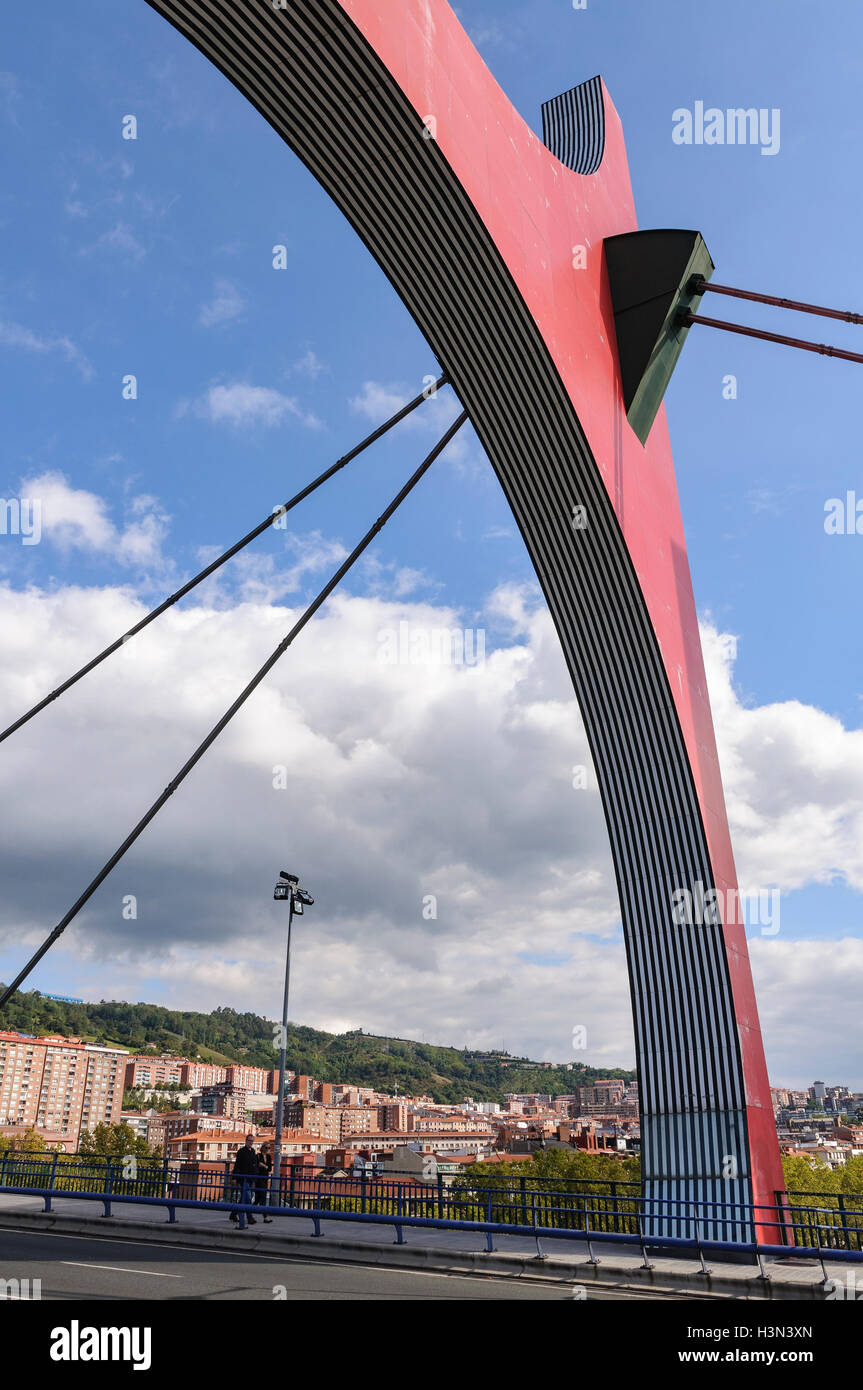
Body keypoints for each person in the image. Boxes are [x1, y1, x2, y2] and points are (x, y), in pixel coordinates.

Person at [229, 1134, 260, 1224]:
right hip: (243, 1179)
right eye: (249, 1141)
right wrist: (235, 1178)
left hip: (250, 1178)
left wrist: (255, 1177)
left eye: (252, 1141)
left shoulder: (253, 1151)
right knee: (248, 1198)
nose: (251, 1142)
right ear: (246, 1141)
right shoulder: (241, 1152)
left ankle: (233, 1214)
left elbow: (254, 1165)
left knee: (243, 1198)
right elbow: (237, 1165)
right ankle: (249, 1217)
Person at [255, 1143, 274, 1222]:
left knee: (258, 1199)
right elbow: (256, 1165)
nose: (268, 1149)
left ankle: (244, 1211)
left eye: (269, 1148)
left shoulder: (269, 1157)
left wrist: (263, 1165)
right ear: (262, 1148)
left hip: (265, 1178)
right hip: (259, 1178)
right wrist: (263, 1166)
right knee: (263, 1197)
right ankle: (265, 1217)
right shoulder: (258, 1156)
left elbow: (269, 1168)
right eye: (266, 1147)